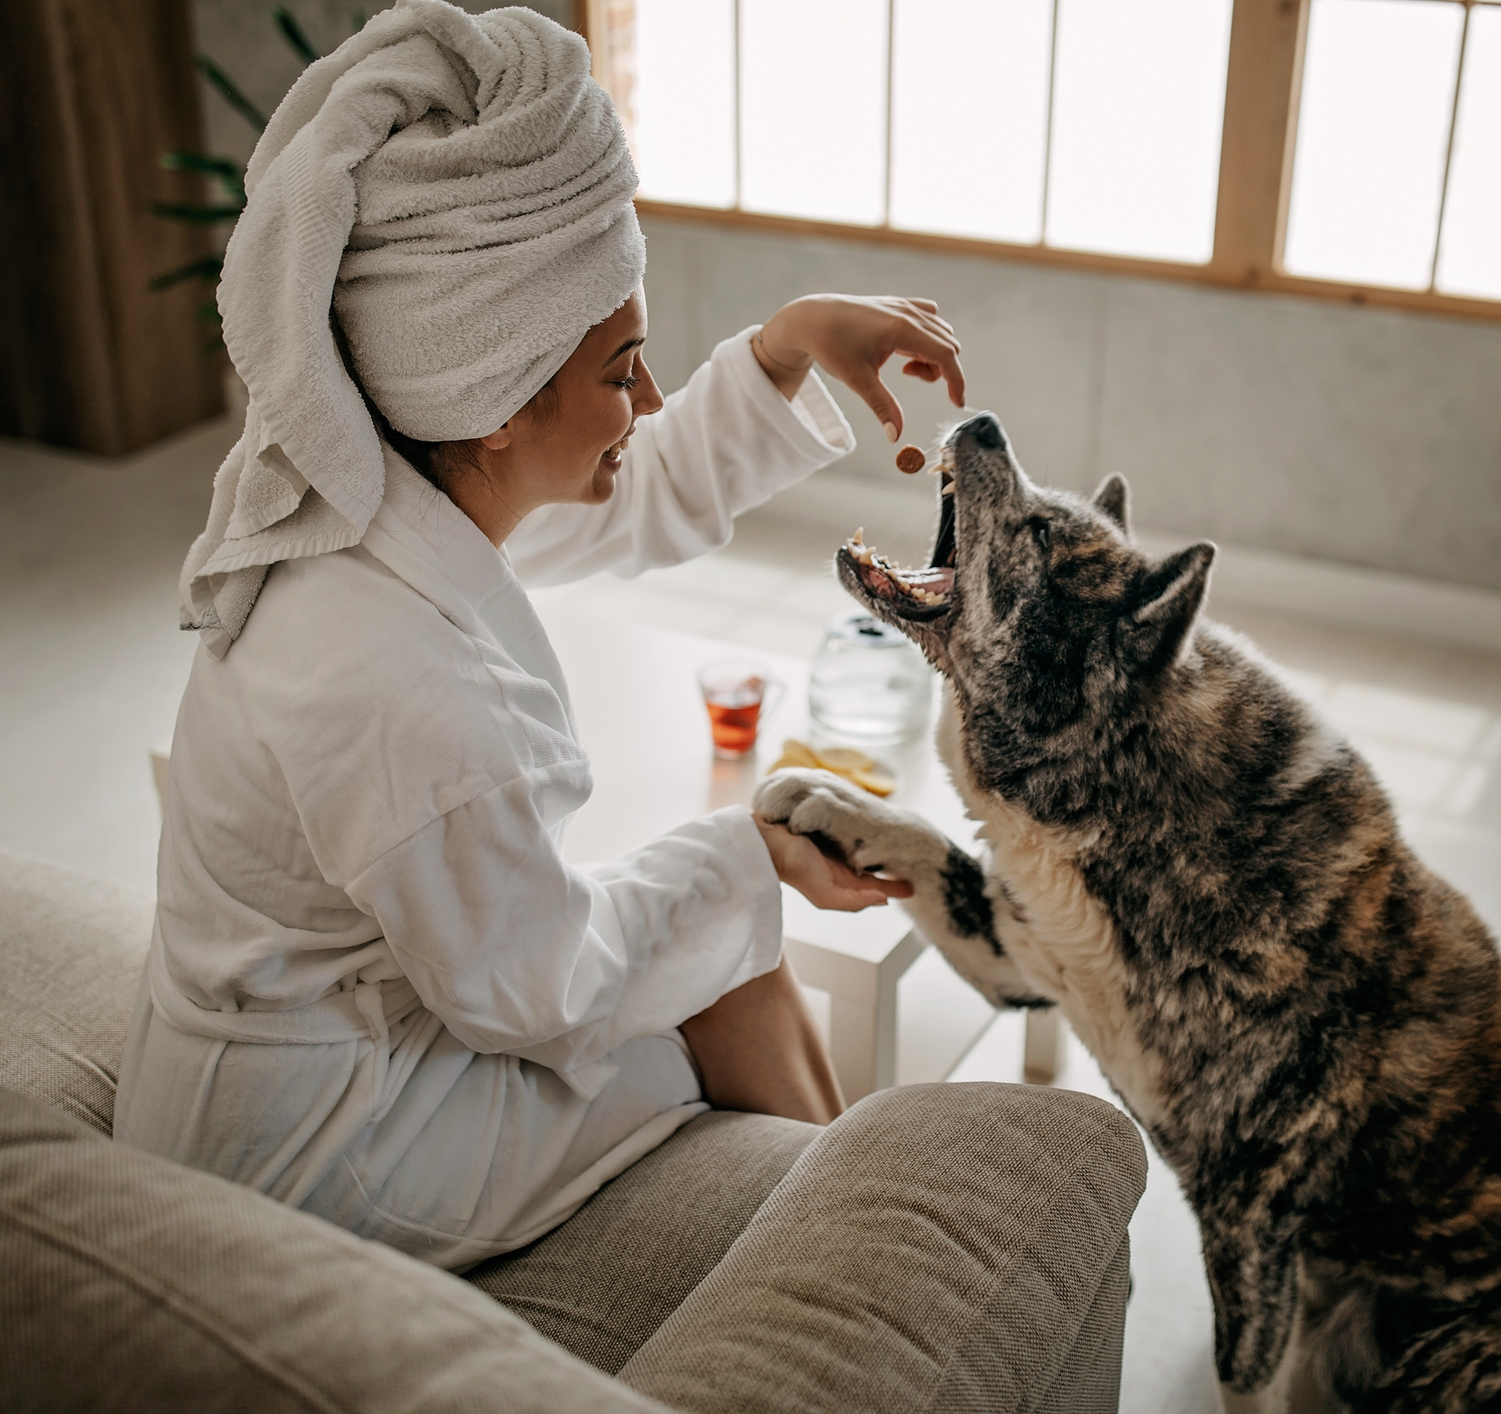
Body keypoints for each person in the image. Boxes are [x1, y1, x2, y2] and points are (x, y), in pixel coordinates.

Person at [113, 0, 955, 1271]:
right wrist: (755, 855)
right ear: (500, 402)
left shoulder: (378, 495)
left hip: (314, 1042)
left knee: (719, 942)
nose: (651, 398)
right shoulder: (404, 685)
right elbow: (538, 990)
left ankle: (855, 1240)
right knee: (731, 954)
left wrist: (786, 348)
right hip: (307, 1159)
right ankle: (868, 1279)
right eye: (624, 367)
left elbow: (629, 490)